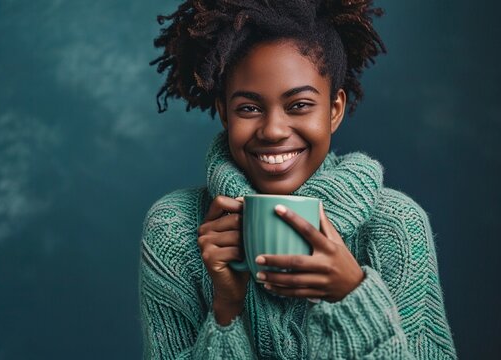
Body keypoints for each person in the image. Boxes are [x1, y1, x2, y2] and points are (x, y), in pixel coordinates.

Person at [139, 0, 457, 358]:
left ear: (334, 110)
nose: (273, 130)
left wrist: (352, 296)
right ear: (224, 114)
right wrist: (226, 309)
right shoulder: (175, 230)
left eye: (299, 105)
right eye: (248, 108)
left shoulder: (395, 226)